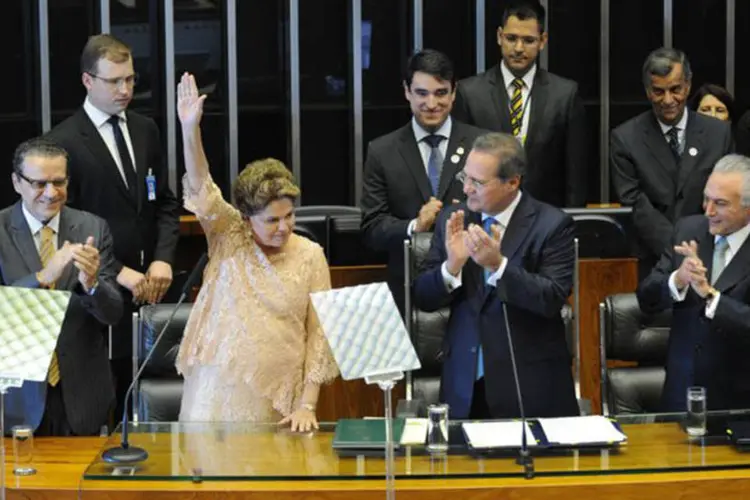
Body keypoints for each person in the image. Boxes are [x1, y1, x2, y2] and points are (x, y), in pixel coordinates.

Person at [175, 73, 338, 431]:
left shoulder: (310, 254)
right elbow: (202, 187)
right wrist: (191, 130)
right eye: (271, 220)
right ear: (247, 219)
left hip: (282, 403)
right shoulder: (229, 236)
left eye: (289, 216)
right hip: (216, 396)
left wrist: (308, 405)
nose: (284, 227)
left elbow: (321, 335)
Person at [46, 34, 180, 419]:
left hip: (154, 291)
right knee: (109, 407)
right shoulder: (63, 142)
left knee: (154, 403)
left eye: (131, 80)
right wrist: (119, 272)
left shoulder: (145, 130)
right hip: (102, 295)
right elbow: (66, 226)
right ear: (88, 80)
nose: (125, 90)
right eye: (114, 81)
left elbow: (164, 203)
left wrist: (163, 259)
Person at [413, 132, 578, 419]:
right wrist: (451, 267)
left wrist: (498, 265)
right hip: (464, 384)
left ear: (512, 182)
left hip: (528, 384)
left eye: (477, 182)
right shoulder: (453, 220)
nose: (466, 188)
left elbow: (552, 298)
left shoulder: (552, 225)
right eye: (465, 177)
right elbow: (423, 298)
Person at [0, 137, 122, 436]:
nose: (51, 193)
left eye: (59, 182)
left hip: (82, 394)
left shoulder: (93, 228)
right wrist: (43, 276)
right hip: (19, 396)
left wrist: (92, 284)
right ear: (17, 182)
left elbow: (113, 314)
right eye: (40, 184)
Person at [360, 49, 486, 315]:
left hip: (472, 291)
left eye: (441, 93)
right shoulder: (382, 151)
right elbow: (372, 229)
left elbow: (499, 214)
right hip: (407, 294)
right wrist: (416, 225)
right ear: (407, 91)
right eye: (422, 93)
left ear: (454, 92)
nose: (431, 103)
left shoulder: (482, 145)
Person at [638, 154, 750, 411]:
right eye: (706, 199)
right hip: (680, 397)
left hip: (740, 404)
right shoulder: (688, 230)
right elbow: (646, 297)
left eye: (720, 203)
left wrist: (712, 298)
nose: (708, 211)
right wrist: (678, 279)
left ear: (748, 208)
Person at [611, 48, 733, 279]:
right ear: (648, 91)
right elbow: (634, 201)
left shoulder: (719, 133)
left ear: (687, 85)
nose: (668, 100)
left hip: (710, 254)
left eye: (675, 89)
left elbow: (727, 194)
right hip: (654, 260)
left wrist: (701, 246)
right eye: (658, 91)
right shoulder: (625, 138)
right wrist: (677, 250)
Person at [453, 0, 588, 208]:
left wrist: (573, 221)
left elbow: (575, 174)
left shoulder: (565, 94)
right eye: (511, 38)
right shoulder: (470, 93)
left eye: (528, 40)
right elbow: (462, 168)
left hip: (545, 217)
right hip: (486, 213)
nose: (518, 48)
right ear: (499, 36)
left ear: (542, 41)